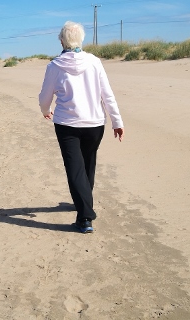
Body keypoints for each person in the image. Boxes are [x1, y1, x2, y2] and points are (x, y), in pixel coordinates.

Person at [38, 21, 124, 234]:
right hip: (95, 124)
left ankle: (85, 217)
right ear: (81, 39)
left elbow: (44, 96)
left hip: (67, 124)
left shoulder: (55, 66)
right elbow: (108, 94)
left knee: (75, 168)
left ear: (61, 40)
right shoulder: (94, 62)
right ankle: (84, 202)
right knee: (87, 164)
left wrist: (45, 110)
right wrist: (117, 121)